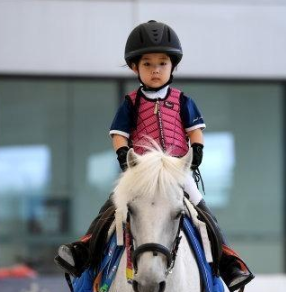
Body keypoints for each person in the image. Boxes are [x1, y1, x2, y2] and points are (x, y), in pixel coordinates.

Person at [54, 20, 253, 292]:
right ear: (135, 68)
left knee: (205, 217)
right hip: (141, 173)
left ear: (172, 67)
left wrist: (197, 150)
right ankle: (83, 251)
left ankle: (228, 262)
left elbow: (195, 130)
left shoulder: (183, 100)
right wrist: (123, 153)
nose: (155, 70)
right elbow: (118, 134)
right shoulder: (131, 102)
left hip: (175, 172)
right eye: (147, 64)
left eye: (162, 63)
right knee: (108, 212)